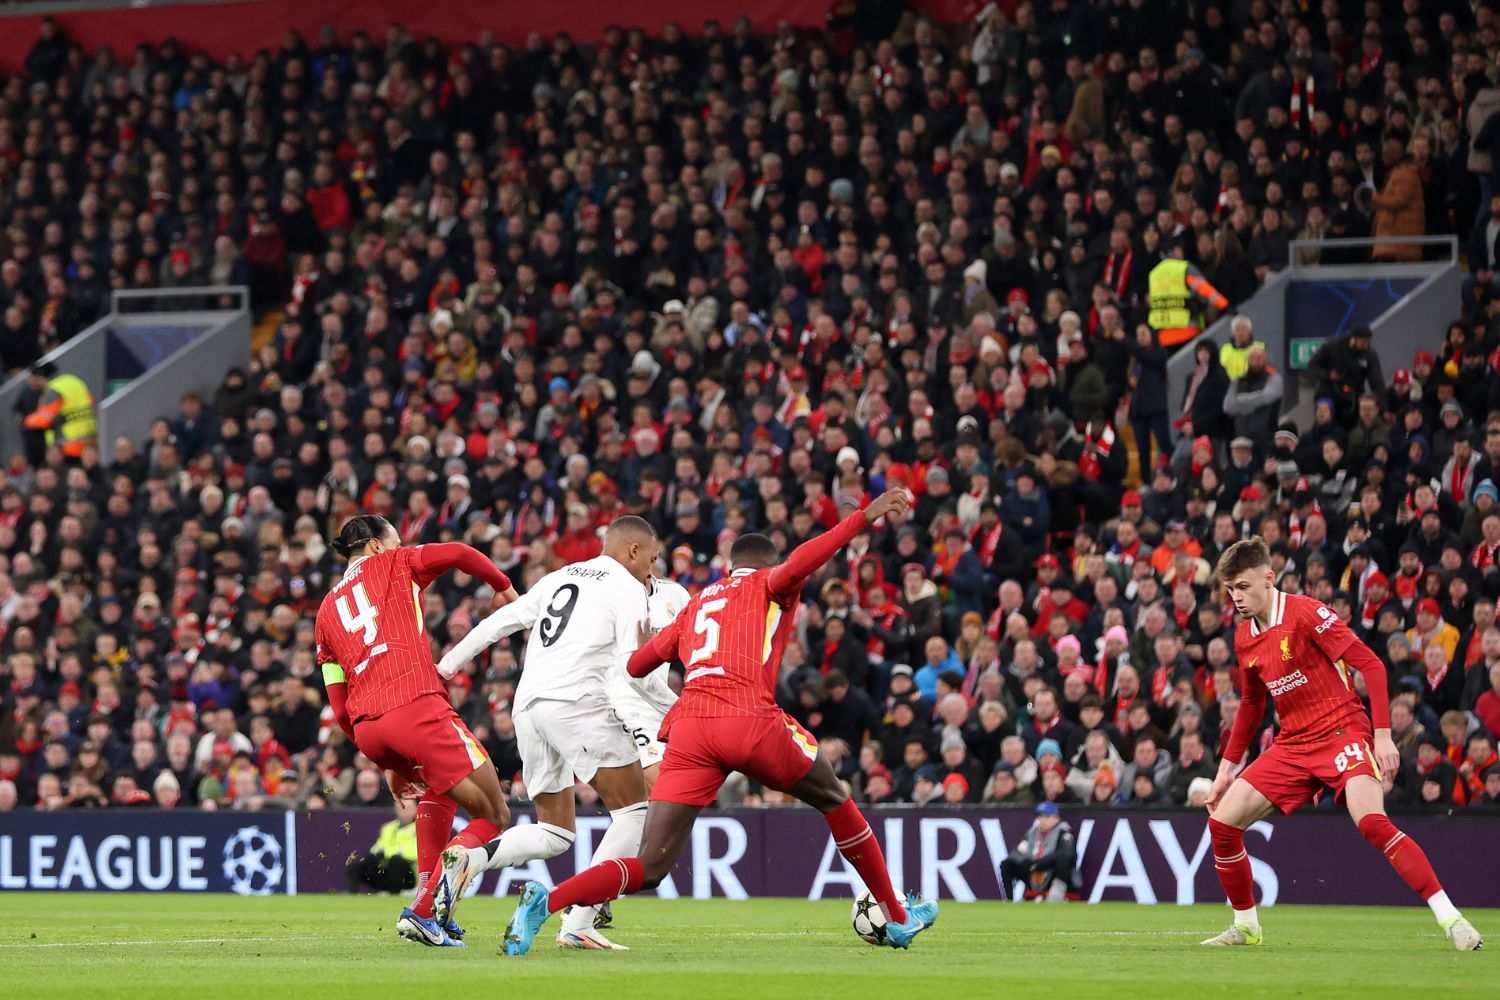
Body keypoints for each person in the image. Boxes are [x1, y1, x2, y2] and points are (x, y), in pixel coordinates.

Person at [499, 490, 937, 955]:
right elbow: (810, 557)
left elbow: (635, 666)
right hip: (749, 718)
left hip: (691, 732)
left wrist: (649, 642)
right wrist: (864, 517)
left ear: (730, 566)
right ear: (766, 564)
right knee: (836, 800)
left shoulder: (696, 603)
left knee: (649, 866)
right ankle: (896, 914)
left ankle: (547, 901)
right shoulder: (771, 584)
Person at [1202, 538, 1481, 951]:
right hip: (1293, 744)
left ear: (1268, 577)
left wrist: (1382, 735)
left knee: (1371, 822)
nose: (1236, 597)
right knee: (1223, 825)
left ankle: (1452, 919)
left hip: (1341, 732)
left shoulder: (1306, 613)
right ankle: (1246, 926)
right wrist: (1227, 767)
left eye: (1243, 586)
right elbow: (1251, 702)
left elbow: (1370, 663)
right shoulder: (1245, 637)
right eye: (1230, 590)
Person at [434, 515, 660, 950]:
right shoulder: (629, 589)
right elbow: (636, 672)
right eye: (651, 559)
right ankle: (579, 922)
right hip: (576, 703)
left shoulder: (560, 576)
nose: (652, 570)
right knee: (635, 811)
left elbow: (500, 622)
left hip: (529, 707)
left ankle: (472, 857)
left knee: (556, 832)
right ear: (633, 550)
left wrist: (445, 666)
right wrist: (675, 708)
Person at [315, 513, 519, 948]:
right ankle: (425, 908)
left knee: (439, 789)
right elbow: (462, 553)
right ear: (374, 546)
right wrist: (503, 587)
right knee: (494, 815)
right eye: (395, 540)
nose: (400, 545)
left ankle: (433, 904)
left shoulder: (325, 612)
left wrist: (387, 761)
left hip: (369, 726)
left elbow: (337, 704)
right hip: (414, 704)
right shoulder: (396, 562)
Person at [1146, 238, 1228, 348]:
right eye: (1179, 249)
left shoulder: (1154, 274)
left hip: (1163, 338)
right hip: (1187, 331)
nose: (1182, 251)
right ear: (1172, 252)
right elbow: (1204, 290)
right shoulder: (1185, 268)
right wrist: (1225, 306)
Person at [998, 801, 1078, 901]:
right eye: (1040, 816)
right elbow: (1018, 852)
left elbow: (1067, 854)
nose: (1042, 820)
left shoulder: (1064, 833)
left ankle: (1056, 894)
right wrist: (1028, 864)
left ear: (1056, 818)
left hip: (1052, 871)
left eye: (1047, 817)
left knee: (1063, 859)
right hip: (1034, 871)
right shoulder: (1032, 833)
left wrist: (1038, 863)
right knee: (1007, 864)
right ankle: (1009, 901)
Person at [21, 361, 97, 460]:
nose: (30, 382)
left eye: (32, 377)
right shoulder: (75, 382)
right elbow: (92, 404)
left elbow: (44, 420)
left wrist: (25, 421)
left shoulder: (53, 389)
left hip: (67, 447)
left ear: (40, 376)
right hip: (90, 444)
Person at [348, 798, 419, 894]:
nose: (403, 812)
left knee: (396, 861)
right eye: (400, 809)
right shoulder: (389, 827)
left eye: (407, 808)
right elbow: (377, 848)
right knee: (359, 865)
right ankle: (351, 895)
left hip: (409, 873)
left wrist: (391, 853)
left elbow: (417, 852)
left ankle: (393, 896)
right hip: (388, 868)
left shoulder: (420, 827)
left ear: (416, 809)